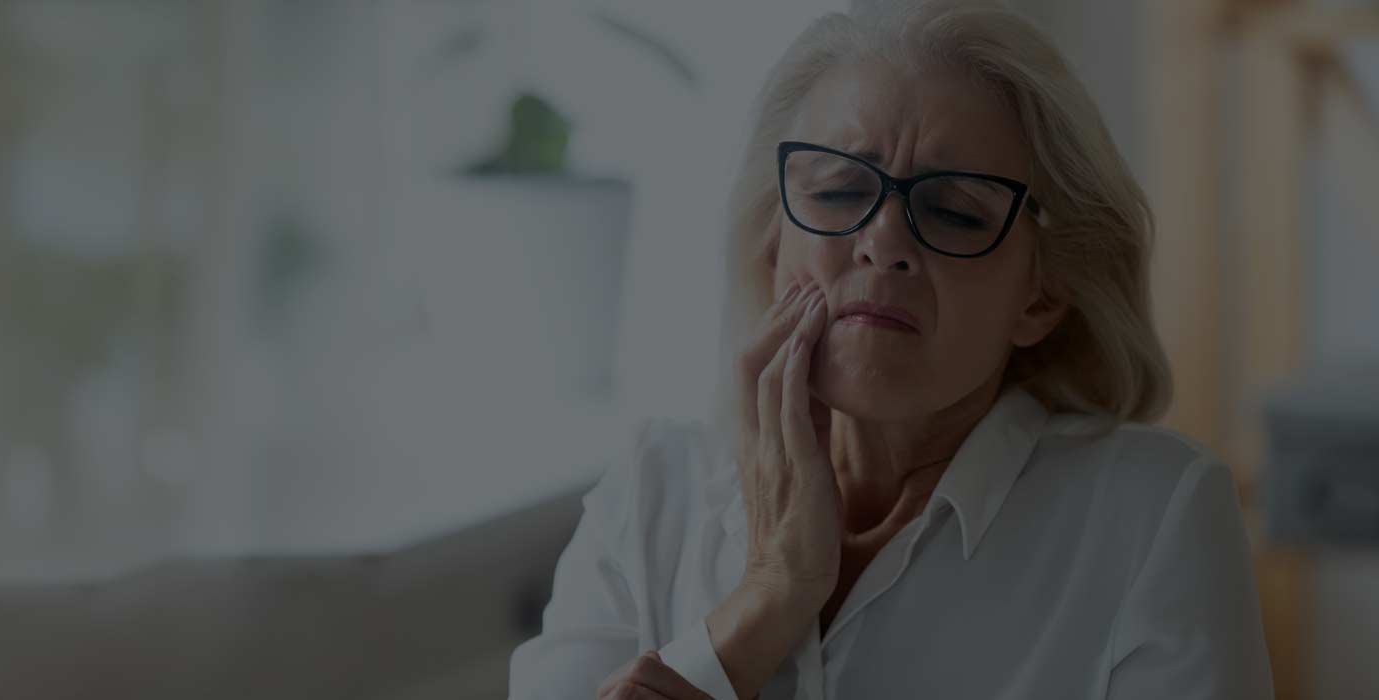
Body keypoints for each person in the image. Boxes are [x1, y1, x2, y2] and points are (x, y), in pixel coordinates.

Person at [506, 1, 1274, 698]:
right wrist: (768, 600)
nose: (882, 242)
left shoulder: (1154, 516)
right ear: (775, 239)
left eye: (954, 211)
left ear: (1040, 297)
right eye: (839, 190)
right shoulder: (652, 492)